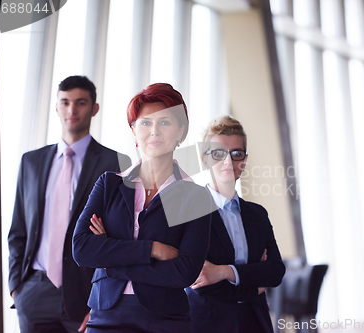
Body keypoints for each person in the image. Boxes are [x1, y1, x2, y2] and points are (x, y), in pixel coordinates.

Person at [72, 83, 213, 333]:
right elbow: (82, 248)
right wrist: (152, 249)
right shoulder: (108, 184)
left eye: (165, 123)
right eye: (145, 123)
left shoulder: (196, 196)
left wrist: (109, 261)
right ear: (134, 130)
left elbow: (184, 272)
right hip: (105, 316)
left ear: (181, 131)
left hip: (165, 321)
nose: (154, 131)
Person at [8, 75, 131, 332]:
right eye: (64, 102)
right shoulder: (31, 162)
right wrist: (16, 287)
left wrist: (101, 298)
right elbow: (18, 229)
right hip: (34, 291)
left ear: (94, 108)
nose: (72, 110)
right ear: (56, 107)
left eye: (81, 102)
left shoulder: (115, 163)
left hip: (87, 292)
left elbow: (121, 238)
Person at [187, 115, 285, 333]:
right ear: (205, 159)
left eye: (236, 154)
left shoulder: (257, 215)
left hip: (256, 323)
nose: (228, 161)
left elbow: (275, 271)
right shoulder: (189, 213)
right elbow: (200, 283)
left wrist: (223, 272)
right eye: (218, 153)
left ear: (244, 160)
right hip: (207, 325)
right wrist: (253, 281)